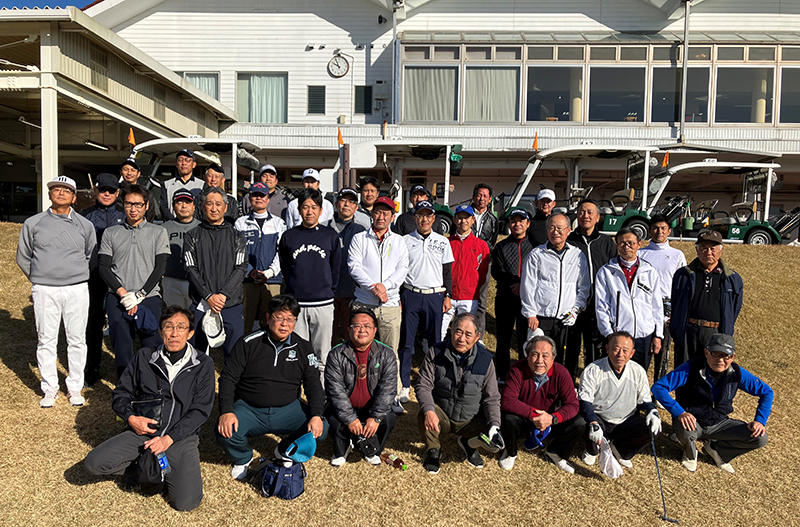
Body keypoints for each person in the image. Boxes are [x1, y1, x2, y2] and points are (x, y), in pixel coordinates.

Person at [84, 306, 215, 511]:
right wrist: (131, 419)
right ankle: (142, 467)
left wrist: (169, 439)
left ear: (190, 333)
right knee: (94, 463)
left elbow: (201, 410)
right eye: (168, 327)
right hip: (144, 432)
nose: (174, 333)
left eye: (181, 327)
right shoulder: (144, 356)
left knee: (186, 503)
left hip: (179, 437)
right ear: (161, 331)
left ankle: (160, 470)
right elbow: (121, 394)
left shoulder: (203, 364)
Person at [216, 295, 328, 480]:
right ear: (268, 318)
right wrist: (227, 411)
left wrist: (317, 415)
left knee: (321, 428)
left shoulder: (303, 347)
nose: (285, 324)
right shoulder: (248, 343)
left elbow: (313, 384)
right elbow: (228, 379)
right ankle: (243, 457)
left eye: (290, 319)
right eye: (279, 318)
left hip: (288, 409)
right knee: (226, 431)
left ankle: (284, 450)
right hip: (250, 408)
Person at [17, 175, 96, 407]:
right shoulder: (33, 223)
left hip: (76, 289)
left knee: (77, 340)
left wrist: (76, 275)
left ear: (74, 197)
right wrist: (40, 277)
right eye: (56, 189)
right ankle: (50, 388)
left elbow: (91, 255)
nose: (61, 192)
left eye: (66, 190)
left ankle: (74, 388)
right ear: (50, 194)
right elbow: (24, 256)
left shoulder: (85, 225)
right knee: (46, 340)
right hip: (44, 290)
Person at [651, 334, 772, 473]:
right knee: (685, 429)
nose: (720, 360)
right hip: (693, 422)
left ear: (733, 357)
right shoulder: (691, 367)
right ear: (706, 353)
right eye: (715, 354)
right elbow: (658, 387)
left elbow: (767, 392)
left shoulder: (737, 373)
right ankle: (690, 454)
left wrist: (760, 421)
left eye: (726, 356)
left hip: (720, 424)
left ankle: (717, 451)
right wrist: (680, 412)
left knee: (760, 438)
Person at [415, 313, 501, 474]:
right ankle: (433, 449)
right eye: (458, 331)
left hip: (470, 417)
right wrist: (429, 411)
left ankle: (469, 444)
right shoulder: (436, 352)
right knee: (425, 412)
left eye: (468, 334)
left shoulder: (486, 360)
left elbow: (492, 398)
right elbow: (423, 385)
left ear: (477, 337)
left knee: (489, 422)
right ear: (452, 330)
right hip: (443, 413)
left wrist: (495, 426)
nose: (461, 338)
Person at [99, 184, 169, 380]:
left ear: (146, 206)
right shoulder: (111, 232)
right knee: (122, 344)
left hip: (149, 296)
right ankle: (126, 383)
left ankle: (152, 383)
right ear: (123, 205)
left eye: (138, 204)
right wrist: (123, 293)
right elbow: (104, 267)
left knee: (152, 343)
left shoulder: (158, 232)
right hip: (118, 296)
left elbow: (160, 267)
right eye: (129, 204)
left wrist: (139, 295)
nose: (133, 208)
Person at [348, 195, 410, 409]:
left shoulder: (399, 241)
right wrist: (374, 287)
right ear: (371, 214)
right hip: (364, 302)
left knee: (391, 352)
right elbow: (354, 266)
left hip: (390, 304)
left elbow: (403, 268)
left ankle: (392, 395)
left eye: (386, 212)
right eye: (377, 211)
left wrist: (386, 286)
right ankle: (359, 393)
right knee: (360, 350)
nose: (381, 216)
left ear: (392, 216)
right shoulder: (359, 238)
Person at [278, 188, 341, 380]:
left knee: (322, 353)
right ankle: (295, 391)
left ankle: (320, 392)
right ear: (299, 210)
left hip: (323, 303)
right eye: (305, 207)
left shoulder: (330, 236)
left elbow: (335, 269)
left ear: (321, 210)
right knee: (296, 352)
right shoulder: (289, 236)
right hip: (296, 304)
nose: (309, 211)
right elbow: (286, 267)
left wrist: (328, 290)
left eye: (314, 207)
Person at [499, 335, 585, 473]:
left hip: (549, 422)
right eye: (535, 355)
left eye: (545, 356)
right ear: (527, 355)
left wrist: (552, 418)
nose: (540, 360)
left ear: (553, 357)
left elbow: (573, 405)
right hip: (523, 419)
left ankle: (556, 452)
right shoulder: (516, 370)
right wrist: (534, 415)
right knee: (509, 418)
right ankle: (510, 452)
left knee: (579, 422)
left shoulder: (562, 373)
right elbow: (507, 401)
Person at [398, 200, 455, 406]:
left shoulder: (443, 241)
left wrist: (448, 295)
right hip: (411, 294)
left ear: (433, 218)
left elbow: (447, 272)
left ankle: (432, 381)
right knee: (406, 341)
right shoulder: (404, 241)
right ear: (415, 218)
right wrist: (399, 296)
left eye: (428, 215)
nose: (424, 219)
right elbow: (400, 269)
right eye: (420, 215)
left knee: (435, 342)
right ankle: (404, 383)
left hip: (434, 295)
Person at [324, 309, 398, 466]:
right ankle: (343, 447)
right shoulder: (336, 354)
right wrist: (351, 419)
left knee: (387, 418)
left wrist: (375, 417)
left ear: (375, 330)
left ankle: (372, 448)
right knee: (334, 417)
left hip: (371, 407)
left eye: (367, 326)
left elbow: (388, 390)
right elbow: (335, 392)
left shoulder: (387, 354)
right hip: (347, 406)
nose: (362, 330)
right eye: (356, 326)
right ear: (349, 329)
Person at [578, 331, 661, 470]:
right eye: (616, 349)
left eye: (625, 350)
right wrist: (593, 422)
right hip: (600, 418)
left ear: (632, 353)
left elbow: (644, 399)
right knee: (584, 421)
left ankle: (621, 450)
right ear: (607, 349)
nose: (620, 354)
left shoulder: (638, 371)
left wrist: (652, 411)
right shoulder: (593, 370)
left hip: (625, 421)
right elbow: (585, 400)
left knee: (653, 427)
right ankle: (592, 449)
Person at [183, 187, 248, 357]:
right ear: (202, 206)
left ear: (225, 207)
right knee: (195, 355)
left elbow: (241, 267)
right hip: (200, 303)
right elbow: (190, 268)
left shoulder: (237, 236)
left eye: (218, 204)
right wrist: (208, 296)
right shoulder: (192, 235)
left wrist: (223, 295)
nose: (214, 208)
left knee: (234, 355)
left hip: (230, 304)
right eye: (209, 204)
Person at [520, 213, 590, 360]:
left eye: (559, 228)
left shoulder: (577, 255)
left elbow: (583, 287)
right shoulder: (537, 254)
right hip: (542, 317)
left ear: (568, 230)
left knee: (564, 358)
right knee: (540, 357)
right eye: (551, 228)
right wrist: (531, 313)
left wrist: (576, 309)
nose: (555, 232)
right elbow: (528, 286)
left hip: (567, 317)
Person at [670, 229, 743, 367]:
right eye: (704, 248)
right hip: (688, 332)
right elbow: (675, 302)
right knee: (685, 372)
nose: (708, 252)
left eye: (712, 248)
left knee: (711, 373)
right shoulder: (683, 275)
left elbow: (735, 308)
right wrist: (676, 329)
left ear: (721, 250)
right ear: (697, 250)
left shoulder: (732, 279)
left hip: (716, 333)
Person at [594, 228, 663, 371]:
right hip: (618, 336)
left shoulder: (649, 271)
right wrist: (609, 334)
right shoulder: (606, 271)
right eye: (622, 243)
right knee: (616, 375)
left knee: (639, 375)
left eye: (631, 243)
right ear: (617, 245)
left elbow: (657, 305)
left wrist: (658, 335)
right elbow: (601, 306)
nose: (627, 247)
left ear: (639, 244)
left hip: (644, 335)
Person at [80, 173, 126, 386]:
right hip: (94, 277)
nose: (107, 194)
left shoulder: (124, 214)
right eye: (103, 190)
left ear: (117, 193)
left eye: (111, 190)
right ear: (95, 190)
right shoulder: (84, 216)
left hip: (120, 276)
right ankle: (92, 367)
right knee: (94, 323)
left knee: (121, 323)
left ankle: (124, 368)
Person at [565, 199, 618, 378]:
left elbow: (614, 271)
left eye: (590, 212)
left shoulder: (606, 242)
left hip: (598, 304)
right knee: (571, 346)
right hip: (573, 302)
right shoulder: (569, 241)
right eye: (581, 212)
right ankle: (569, 382)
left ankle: (592, 381)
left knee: (594, 347)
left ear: (597, 217)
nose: (585, 216)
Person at [639, 214, 687, 379]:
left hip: (667, 306)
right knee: (643, 348)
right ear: (649, 230)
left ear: (669, 231)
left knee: (663, 350)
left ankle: (659, 387)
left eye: (663, 228)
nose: (659, 231)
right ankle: (639, 386)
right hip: (644, 305)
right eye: (655, 228)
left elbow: (682, 285)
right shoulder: (640, 254)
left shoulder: (677, 255)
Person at [234, 182, 286, 333]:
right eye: (255, 195)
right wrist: (250, 271)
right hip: (247, 280)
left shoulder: (279, 223)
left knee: (271, 320)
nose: (259, 198)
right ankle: (244, 347)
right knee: (245, 321)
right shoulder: (240, 223)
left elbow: (282, 252)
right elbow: (237, 251)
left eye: (262, 195)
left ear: (268, 199)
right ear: (250, 198)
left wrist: (270, 272)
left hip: (272, 280)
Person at [491, 207, 534, 380]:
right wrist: (514, 284)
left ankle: (524, 375)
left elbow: (538, 273)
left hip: (527, 300)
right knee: (503, 339)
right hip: (505, 298)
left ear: (528, 224)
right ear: (509, 224)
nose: (517, 224)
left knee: (525, 340)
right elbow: (497, 271)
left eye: (521, 221)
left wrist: (523, 285)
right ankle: (502, 375)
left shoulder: (535, 247)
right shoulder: (501, 246)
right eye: (513, 221)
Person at [325, 187, 370, 344]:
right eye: (343, 200)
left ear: (356, 207)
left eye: (351, 201)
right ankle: (328, 357)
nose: (346, 204)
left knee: (349, 330)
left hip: (351, 289)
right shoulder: (324, 228)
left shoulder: (361, 230)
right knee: (327, 331)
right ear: (336, 204)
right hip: (327, 289)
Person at [441, 204, 490, 341]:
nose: (463, 221)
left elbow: (483, 274)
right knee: (440, 331)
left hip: (469, 297)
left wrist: (474, 290)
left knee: (465, 333)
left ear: (473, 220)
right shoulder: (446, 243)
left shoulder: (481, 245)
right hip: (448, 296)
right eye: (460, 218)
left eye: (467, 218)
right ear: (454, 220)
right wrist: (445, 293)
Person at [161, 189, 200, 310]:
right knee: (174, 316)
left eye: (187, 202)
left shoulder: (202, 228)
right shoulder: (163, 229)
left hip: (197, 281)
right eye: (179, 202)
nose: (184, 206)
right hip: (171, 280)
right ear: (173, 207)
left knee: (196, 316)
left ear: (194, 206)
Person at [470, 183, 497, 335]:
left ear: (490, 199)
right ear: (473, 196)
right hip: (466, 261)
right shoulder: (465, 215)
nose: (481, 199)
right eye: (479, 195)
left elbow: (492, 241)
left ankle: (478, 334)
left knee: (482, 297)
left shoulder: (493, 220)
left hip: (484, 263)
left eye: (485, 196)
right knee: (463, 298)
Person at [159, 149, 204, 221]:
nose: (183, 163)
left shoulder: (202, 185)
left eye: (187, 160)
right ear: (176, 164)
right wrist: (173, 222)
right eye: (180, 160)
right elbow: (163, 207)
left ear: (194, 164)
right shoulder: (167, 184)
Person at [119, 157, 159, 222]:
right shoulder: (114, 192)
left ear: (138, 173)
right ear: (121, 172)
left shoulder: (146, 193)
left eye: (133, 170)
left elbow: (150, 215)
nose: (129, 173)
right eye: (125, 169)